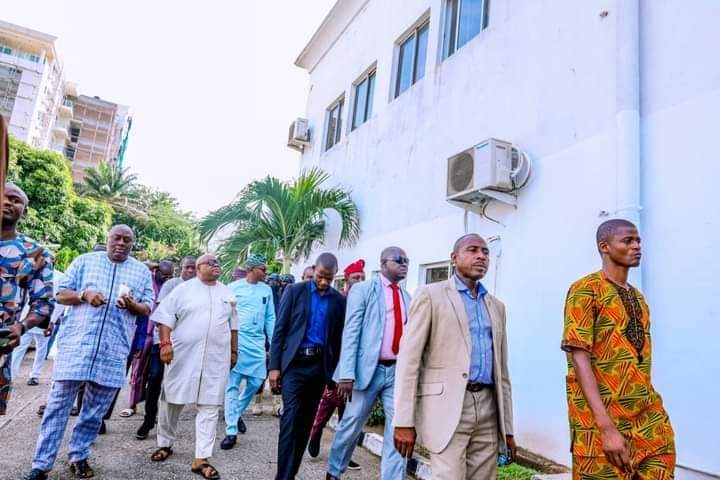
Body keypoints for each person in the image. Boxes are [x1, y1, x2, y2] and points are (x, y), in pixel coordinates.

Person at [24, 224, 154, 480]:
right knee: (57, 406)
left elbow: (147, 307)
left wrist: (132, 304)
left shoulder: (140, 272)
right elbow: (59, 294)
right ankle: (41, 465)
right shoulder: (85, 261)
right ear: (107, 238)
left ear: (132, 244)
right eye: (116, 237)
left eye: (127, 240)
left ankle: (79, 455)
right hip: (77, 347)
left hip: (113, 349)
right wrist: (84, 294)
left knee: (95, 411)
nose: (121, 243)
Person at [393, 234, 515, 479]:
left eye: (485, 252)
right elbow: (409, 360)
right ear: (454, 257)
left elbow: (502, 372)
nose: (481, 256)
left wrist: (508, 428)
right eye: (472, 250)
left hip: (488, 407)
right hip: (447, 407)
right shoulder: (430, 295)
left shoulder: (496, 306)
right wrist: (403, 420)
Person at [562, 219, 675, 479]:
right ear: (605, 247)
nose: (636, 246)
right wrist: (606, 428)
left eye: (638, 241)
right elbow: (579, 359)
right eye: (627, 241)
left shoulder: (638, 298)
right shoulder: (585, 290)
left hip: (649, 422)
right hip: (601, 425)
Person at [150, 254, 238, 480]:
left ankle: (201, 458)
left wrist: (234, 351)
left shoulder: (226, 292)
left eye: (218, 262)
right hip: (182, 355)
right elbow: (165, 318)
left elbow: (233, 325)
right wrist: (165, 344)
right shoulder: (183, 290)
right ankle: (165, 443)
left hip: (216, 358)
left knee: (210, 405)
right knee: (172, 399)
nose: (217, 265)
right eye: (211, 263)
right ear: (199, 268)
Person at [326, 252, 409, 479]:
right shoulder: (363, 290)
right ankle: (334, 471)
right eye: (399, 260)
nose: (404, 265)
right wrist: (346, 374)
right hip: (366, 372)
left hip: (396, 372)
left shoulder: (407, 296)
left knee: (397, 429)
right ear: (383, 263)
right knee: (351, 426)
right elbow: (351, 331)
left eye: (407, 262)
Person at [269, 253, 346, 480]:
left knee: (305, 424)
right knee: (290, 419)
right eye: (321, 277)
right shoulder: (295, 291)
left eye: (329, 279)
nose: (323, 282)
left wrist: (337, 373)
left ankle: (290, 473)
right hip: (294, 365)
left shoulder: (339, 300)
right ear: (314, 270)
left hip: (319, 368)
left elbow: (339, 339)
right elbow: (280, 330)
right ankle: (282, 476)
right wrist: (274, 368)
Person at [0, 183, 54, 415]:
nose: (7, 202)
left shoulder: (35, 253)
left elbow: (44, 302)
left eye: (15, 199)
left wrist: (21, 327)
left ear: (24, 210)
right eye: (3, 196)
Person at [307, 259, 366, 468]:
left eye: (362, 277)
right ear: (346, 280)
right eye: (355, 277)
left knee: (348, 412)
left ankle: (343, 454)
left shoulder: (368, 300)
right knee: (328, 402)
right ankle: (315, 432)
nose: (359, 280)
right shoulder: (340, 301)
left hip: (360, 365)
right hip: (338, 362)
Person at [136, 256, 196, 440]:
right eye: (188, 267)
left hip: (186, 345)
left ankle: (167, 427)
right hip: (162, 340)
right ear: (181, 269)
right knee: (154, 378)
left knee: (177, 384)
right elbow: (160, 312)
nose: (191, 271)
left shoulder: (201, 290)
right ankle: (149, 419)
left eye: (194, 268)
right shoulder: (172, 285)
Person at [221, 254, 275, 449]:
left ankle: (234, 413)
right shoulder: (233, 288)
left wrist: (273, 342)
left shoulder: (266, 290)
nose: (266, 272)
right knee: (232, 385)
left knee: (256, 381)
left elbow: (270, 317)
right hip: (238, 339)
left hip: (257, 341)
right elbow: (224, 315)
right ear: (251, 269)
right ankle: (231, 431)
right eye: (263, 268)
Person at [123, 259, 175, 418]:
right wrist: (154, 266)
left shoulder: (171, 286)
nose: (166, 278)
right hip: (144, 332)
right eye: (164, 274)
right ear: (157, 271)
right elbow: (142, 266)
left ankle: (149, 407)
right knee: (137, 371)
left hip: (160, 335)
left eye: (170, 275)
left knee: (153, 375)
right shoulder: (149, 280)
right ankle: (131, 405)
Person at [10, 266, 67, 385]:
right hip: (27, 318)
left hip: (45, 319)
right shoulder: (30, 273)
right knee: (19, 347)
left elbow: (60, 302)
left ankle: (35, 375)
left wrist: (52, 321)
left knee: (41, 349)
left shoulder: (60, 277)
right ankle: (11, 376)